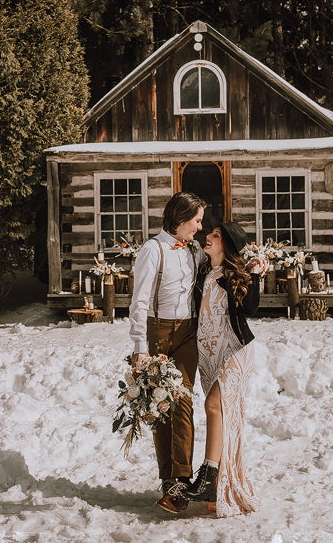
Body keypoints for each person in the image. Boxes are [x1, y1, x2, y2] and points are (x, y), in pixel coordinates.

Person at [180, 218, 266, 517]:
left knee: (214, 405)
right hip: (210, 354)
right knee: (222, 415)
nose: (208, 237)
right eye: (210, 233)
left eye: (215, 236)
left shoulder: (235, 275)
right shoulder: (203, 273)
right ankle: (219, 485)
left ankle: (208, 477)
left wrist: (253, 272)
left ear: (226, 245)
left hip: (236, 350)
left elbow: (251, 307)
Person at [128, 191, 207, 513]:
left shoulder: (194, 250)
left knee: (183, 401)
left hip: (188, 332)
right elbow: (140, 300)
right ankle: (168, 481)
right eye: (197, 220)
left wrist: (256, 265)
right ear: (180, 218)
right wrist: (139, 348)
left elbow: (219, 265)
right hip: (157, 332)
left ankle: (182, 480)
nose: (200, 228)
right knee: (161, 408)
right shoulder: (153, 249)